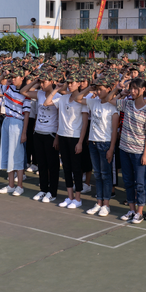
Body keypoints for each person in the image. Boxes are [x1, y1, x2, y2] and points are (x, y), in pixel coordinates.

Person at [103, 78, 146, 224]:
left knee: (140, 183)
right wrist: (119, 90)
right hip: (124, 149)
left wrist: (145, 154)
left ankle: (139, 212)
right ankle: (132, 210)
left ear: (143, 90)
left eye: (135, 88)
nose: (132, 91)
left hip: (139, 152)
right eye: (131, 88)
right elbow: (108, 99)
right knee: (128, 181)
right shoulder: (127, 104)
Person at [76, 76, 119, 217]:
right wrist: (90, 88)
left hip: (105, 143)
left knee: (106, 175)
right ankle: (99, 202)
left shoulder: (113, 106)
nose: (98, 92)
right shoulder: (93, 102)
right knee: (98, 174)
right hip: (93, 143)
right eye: (97, 89)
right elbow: (77, 98)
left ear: (109, 89)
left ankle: (106, 204)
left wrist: (111, 148)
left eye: (101, 89)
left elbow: (114, 131)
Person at [45, 74, 88, 208]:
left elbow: (85, 123)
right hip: (63, 136)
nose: (69, 85)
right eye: (68, 83)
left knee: (76, 168)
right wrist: (56, 89)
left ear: (79, 83)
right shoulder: (62, 98)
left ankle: (78, 199)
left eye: (72, 82)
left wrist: (80, 142)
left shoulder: (83, 100)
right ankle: (69, 197)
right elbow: (47, 102)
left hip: (75, 137)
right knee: (67, 168)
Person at [20, 73, 61, 203]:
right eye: (41, 82)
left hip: (50, 134)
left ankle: (52, 192)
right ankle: (43, 189)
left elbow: (60, 119)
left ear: (52, 81)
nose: (42, 85)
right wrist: (35, 82)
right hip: (38, 133)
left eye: (44, 82)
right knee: (42, 165)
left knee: (52, 165)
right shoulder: (39, 93)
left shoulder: (58, 97)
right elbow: (23, 91)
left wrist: (57, 137)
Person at [0, 69, 31, 196]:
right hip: (7, 121)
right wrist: (3, 75)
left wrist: (24, 132)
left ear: (22, 78)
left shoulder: (26, 93)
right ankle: (10, 185)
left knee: (17, 154)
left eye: (16, 77)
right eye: (12, 77)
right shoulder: (8, 88)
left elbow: (27, 114)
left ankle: (19, 186)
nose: (13, 79)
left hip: (18, 123)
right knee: (7, 152)